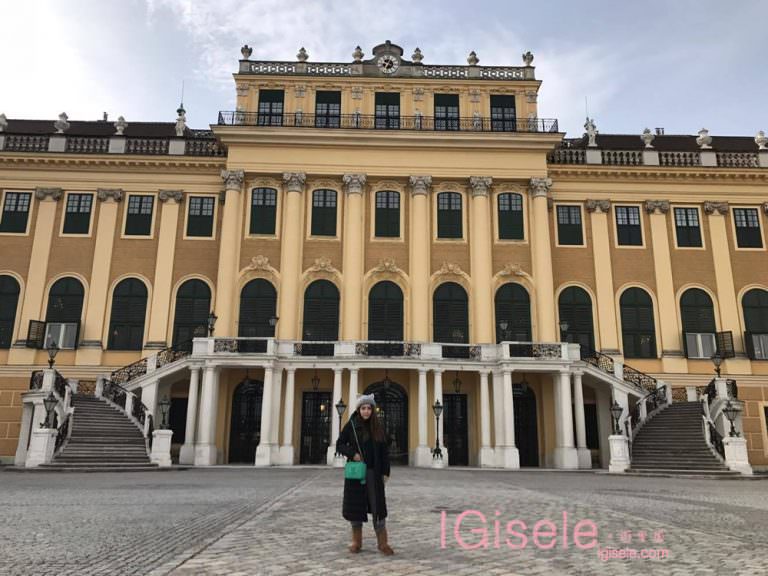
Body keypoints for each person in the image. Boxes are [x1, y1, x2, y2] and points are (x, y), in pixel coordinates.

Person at [335, 393, 394, 555]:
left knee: (377, 507)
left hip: (374, 473)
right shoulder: (352, 426)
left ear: (372, 410)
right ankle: (356, 542)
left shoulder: (378, 427)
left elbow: (384, 452)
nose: (366, 411)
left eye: (369, 408)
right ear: (358, 410)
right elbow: (340, 444)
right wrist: (352, 453)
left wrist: (385, 472)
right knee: (356, 508)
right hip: (357, 473)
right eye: (363, 408)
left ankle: (383, 543)